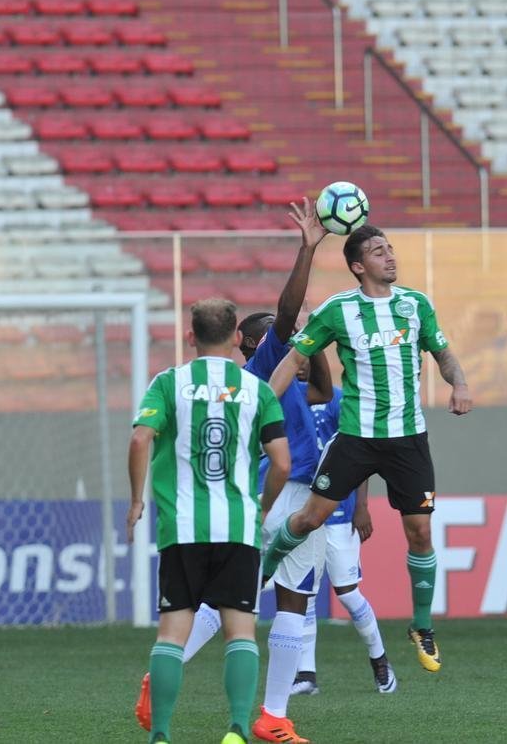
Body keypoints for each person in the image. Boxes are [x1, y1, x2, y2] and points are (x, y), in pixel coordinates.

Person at [135, 200, 332, 744]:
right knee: (276, 604)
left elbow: (321, 387)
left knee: (240, 603)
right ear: (247, 342)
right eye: (272, 331)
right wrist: (307, 252)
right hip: (281, 492)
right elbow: (286, 315)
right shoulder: (260, 367)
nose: (284, 333)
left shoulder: (285, 370)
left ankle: (173, 676)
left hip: (272, 493)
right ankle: (266, 717)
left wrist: (311, 336)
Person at [261, 224, 472, 674]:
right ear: (359, 266)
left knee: (419, 532)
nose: (390, 257)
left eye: (390, 249)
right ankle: (265, 564)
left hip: (408, 439)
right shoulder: (338, 310)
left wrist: (460, 383)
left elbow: (443, 354)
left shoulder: (416, 305)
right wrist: (262, 406)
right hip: (356, 437)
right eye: (379, 252)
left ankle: (421, 625)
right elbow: (294, 359)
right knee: (310, 518)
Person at [126, 297, 289, 744]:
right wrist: (262, 505)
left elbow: (141, 439)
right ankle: (237, 728)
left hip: (181, 527)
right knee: (240, 631)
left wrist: (137, 501)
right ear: (238, 338)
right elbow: (281, 462)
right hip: (237, 526)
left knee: (172, 634)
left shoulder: (169, 382)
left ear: (191, 337)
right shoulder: (257, 389)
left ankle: (160, 734)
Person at [291, 383, 396, 696]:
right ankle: (305, 675)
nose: (299, 365)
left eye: (305, 359)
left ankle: (379, 660)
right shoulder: (287, 394)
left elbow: (358, 453)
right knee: (304, 592)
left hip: (338, 512)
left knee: (348, 594)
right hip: (302, 509)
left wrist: (361, 506)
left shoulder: (335, 399)